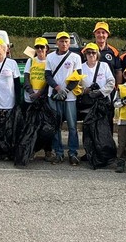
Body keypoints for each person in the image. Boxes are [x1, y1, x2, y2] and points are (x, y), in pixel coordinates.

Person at [45, 31, 83, 166]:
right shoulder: (50, 57)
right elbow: (48, 76)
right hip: (54, 96)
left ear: (69, 42)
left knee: (72, 126)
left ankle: (73, 153)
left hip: (70, 97)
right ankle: (58, 153)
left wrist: (66, 90)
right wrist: (57, 88)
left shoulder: (75, 57)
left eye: (66, 41)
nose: (64, 43)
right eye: (61, 41)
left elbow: (77, 76)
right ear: (57, 43)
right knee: (56, 126)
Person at [22, 37, 53, 161]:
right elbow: (26, 78)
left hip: (43, 99)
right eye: (37, 47)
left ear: (47, 49)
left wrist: (40, 93)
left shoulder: (49, 61)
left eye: (42, 47)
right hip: (30, 99)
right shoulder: (30, 61)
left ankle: (48, 151)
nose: (40, 49)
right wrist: (30, 91)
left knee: (46, 126)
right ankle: (32, 150)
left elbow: (49, 79)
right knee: (31, 126)